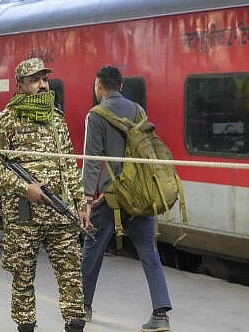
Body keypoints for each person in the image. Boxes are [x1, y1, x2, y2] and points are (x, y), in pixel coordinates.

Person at [0, 58, 88, 332]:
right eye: (34, 80)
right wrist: (23, 187)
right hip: (23, 216)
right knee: (23, 275)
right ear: (20, 86)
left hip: (61, 212)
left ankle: (74, 325)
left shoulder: (56, 118)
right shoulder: (6, 120)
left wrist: (81, 202)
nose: (42, 85)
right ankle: (25, 326)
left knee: (71, 274)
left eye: (44, 79)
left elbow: (68, 163)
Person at [81, 65, 172, 332]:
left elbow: (92, 161)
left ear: (99, 87)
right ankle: (160, 314)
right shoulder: (138, 111)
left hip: (111, 196)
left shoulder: (95, 115)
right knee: (149, 252)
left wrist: (87, 199)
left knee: (92, 248)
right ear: (121, 86)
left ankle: (82, 307)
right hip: (140, 193)